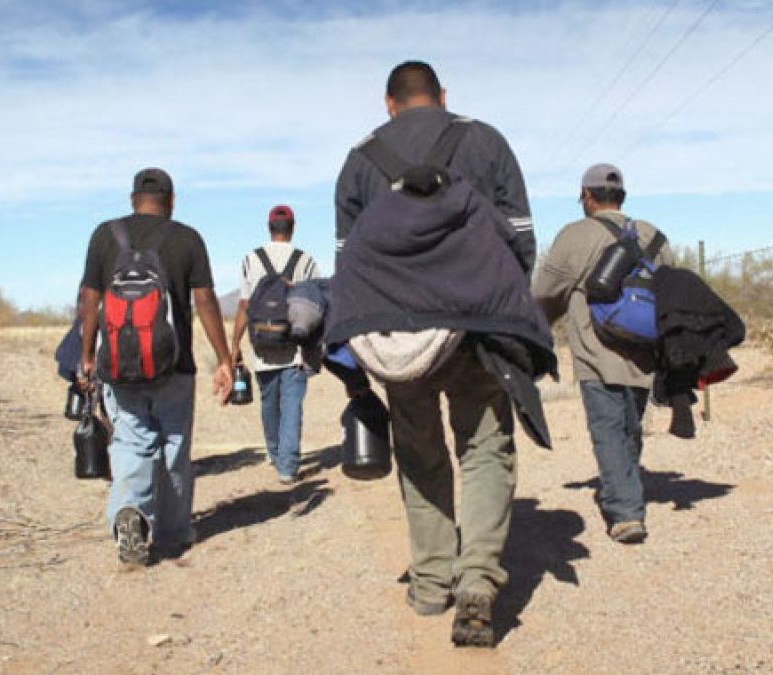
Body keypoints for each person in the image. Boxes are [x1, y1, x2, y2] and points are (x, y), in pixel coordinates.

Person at [333, 60, 538, 647]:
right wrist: (504, 311)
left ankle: (429, 583)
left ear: (389, 104)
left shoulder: (360, 159)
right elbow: (521, 239)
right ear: (443, 96)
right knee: (484, 449)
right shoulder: (486, 140)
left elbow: (348, 262)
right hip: (479, 325)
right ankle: (477, 580)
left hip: (400, 336)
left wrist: (361, 346)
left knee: (420, 453)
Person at [77, 167, 234, 565]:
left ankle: (130, 511)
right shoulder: (187, 238)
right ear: (172, 201)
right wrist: (224, 358)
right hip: (174, 365)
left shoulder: (104, 234)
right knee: (174, 446)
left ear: (133, 200)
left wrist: (87, 354)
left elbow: (90, 297)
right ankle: (172, 532)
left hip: (117, 364)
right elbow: (205, 301)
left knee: (131, 441)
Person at [532, 163, 673, 544]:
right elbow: (669, 289)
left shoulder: (576, 235)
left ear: (587, 196)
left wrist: (535, 325)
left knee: (608, 428)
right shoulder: (653, 235)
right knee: (630, 424)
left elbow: (547, 293)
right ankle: (626, 486)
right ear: (621, 197)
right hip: (644, 351)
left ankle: (626, 512)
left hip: (597, 351)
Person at [230, 205, 320, 484]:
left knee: (269, 403)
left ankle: (274, 452)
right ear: (292, 228)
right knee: (292, 406)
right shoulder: (305, 260)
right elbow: (315, 304)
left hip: (261, 348)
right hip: (294, 348)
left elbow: (244, 305)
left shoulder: (250, 259)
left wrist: (234, 346)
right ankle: (288, 466)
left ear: (269, 227)